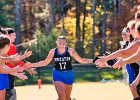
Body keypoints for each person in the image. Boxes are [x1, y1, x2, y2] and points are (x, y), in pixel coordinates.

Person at [25, 36, 93, 100]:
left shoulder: (70, 51)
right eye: (59, 43)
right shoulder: (53, 51)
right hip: (57, 74)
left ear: (66, 44)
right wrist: (31, 64)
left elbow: (81, 60)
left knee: (67, 97)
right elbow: (45, 62)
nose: (61, 45)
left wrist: (94, 60)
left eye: (63, 43)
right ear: (56, 43)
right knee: (61, 96)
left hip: (69, 74)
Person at [3, 28, 37, 100]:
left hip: (11, 72)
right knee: (8, 94)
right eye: (13, 35)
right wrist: (24, 57)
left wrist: (27, 68)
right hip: (6, 73)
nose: (15, 37)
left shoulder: (12, 46)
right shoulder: (5, 47)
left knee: (10, 93)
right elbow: (12, 61)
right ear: (7, 36)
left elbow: (16, 61)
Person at [0, 35, 26, 100]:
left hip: (3, 77)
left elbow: (4, 67)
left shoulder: (3, 55)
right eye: (10, 45)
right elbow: (1, 70)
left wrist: (17, 73)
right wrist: (15, 69)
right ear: (6, 46)